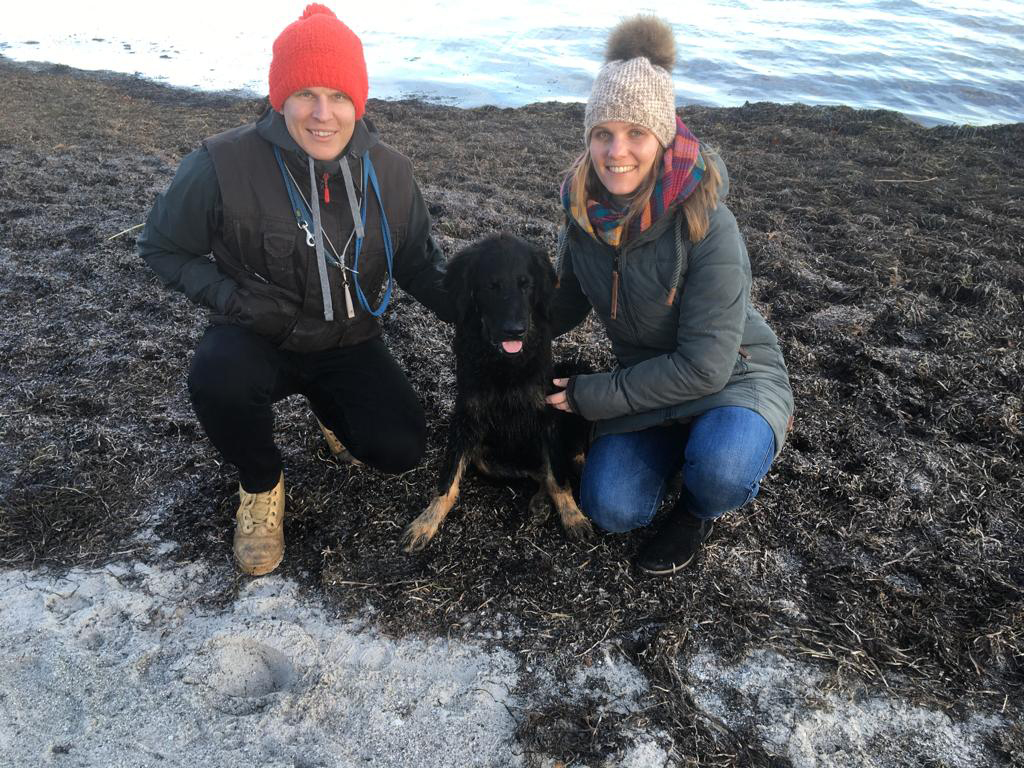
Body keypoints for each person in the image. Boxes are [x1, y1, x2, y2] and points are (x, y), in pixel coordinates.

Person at [138, 4, 453, 576]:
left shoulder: (393, 172)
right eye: (305, 93)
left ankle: (328, 410)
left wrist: (483, 309)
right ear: (279, 96)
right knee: (217, 379)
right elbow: (161, 246)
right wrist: (230, 299)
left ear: (360, 102)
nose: (322, 114)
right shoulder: (220, 163)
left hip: (349, 340)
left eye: (339, 96)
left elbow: (419, 265)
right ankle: (261, 484)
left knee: (400, 449)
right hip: (258, 334)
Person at [545, 16, 794, 576]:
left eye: (635, 133)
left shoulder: (709, 224)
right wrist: (501, 313)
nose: (617, 151)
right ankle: (686, 450)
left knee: (724, 468)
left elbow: (705, 367)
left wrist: (590, 395)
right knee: (611, 509)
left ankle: (698, 508)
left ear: (662, 138)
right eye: (603, 133)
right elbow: (563, 307)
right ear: (588, 139)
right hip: (650, 387)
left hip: (732, 376)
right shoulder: (582, 217)